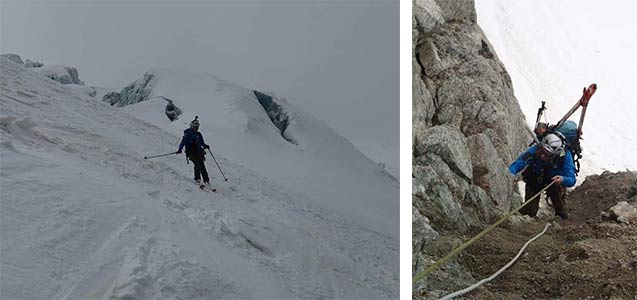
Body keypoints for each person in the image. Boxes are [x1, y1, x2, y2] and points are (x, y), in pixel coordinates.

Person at [509, 133, 576, 219]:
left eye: (547, 154)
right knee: (530, 212)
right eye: (543, 151)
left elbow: (572, 179)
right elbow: (520, 162)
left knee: (561, 211)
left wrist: (563, 179)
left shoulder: (565, 157)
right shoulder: (536, 149)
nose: (542, 155)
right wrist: (510, 173)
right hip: (535, 179)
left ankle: (561, 216)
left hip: (554, 182)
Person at [176, 116, 211, 186]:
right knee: (197, 164)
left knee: (202, 166)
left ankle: (206, 181)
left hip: (199, 152)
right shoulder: (188, 134)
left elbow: (202, 143)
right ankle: (197, 179)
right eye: (195, 127)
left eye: (197, 127)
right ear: (192, 127)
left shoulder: (198, 134)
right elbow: (183, 142)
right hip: (191, 152)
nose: (197, 128)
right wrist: (180, 149)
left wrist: (205, 146)